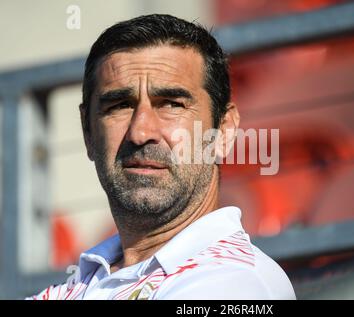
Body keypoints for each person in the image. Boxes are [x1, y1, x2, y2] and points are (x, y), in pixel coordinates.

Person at [29, 14, 296, 300]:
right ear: (88, 131)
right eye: (120, 105)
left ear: (224, 131)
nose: (141, 132)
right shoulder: (75, 285)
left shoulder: (236, 282)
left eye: (171, 104)